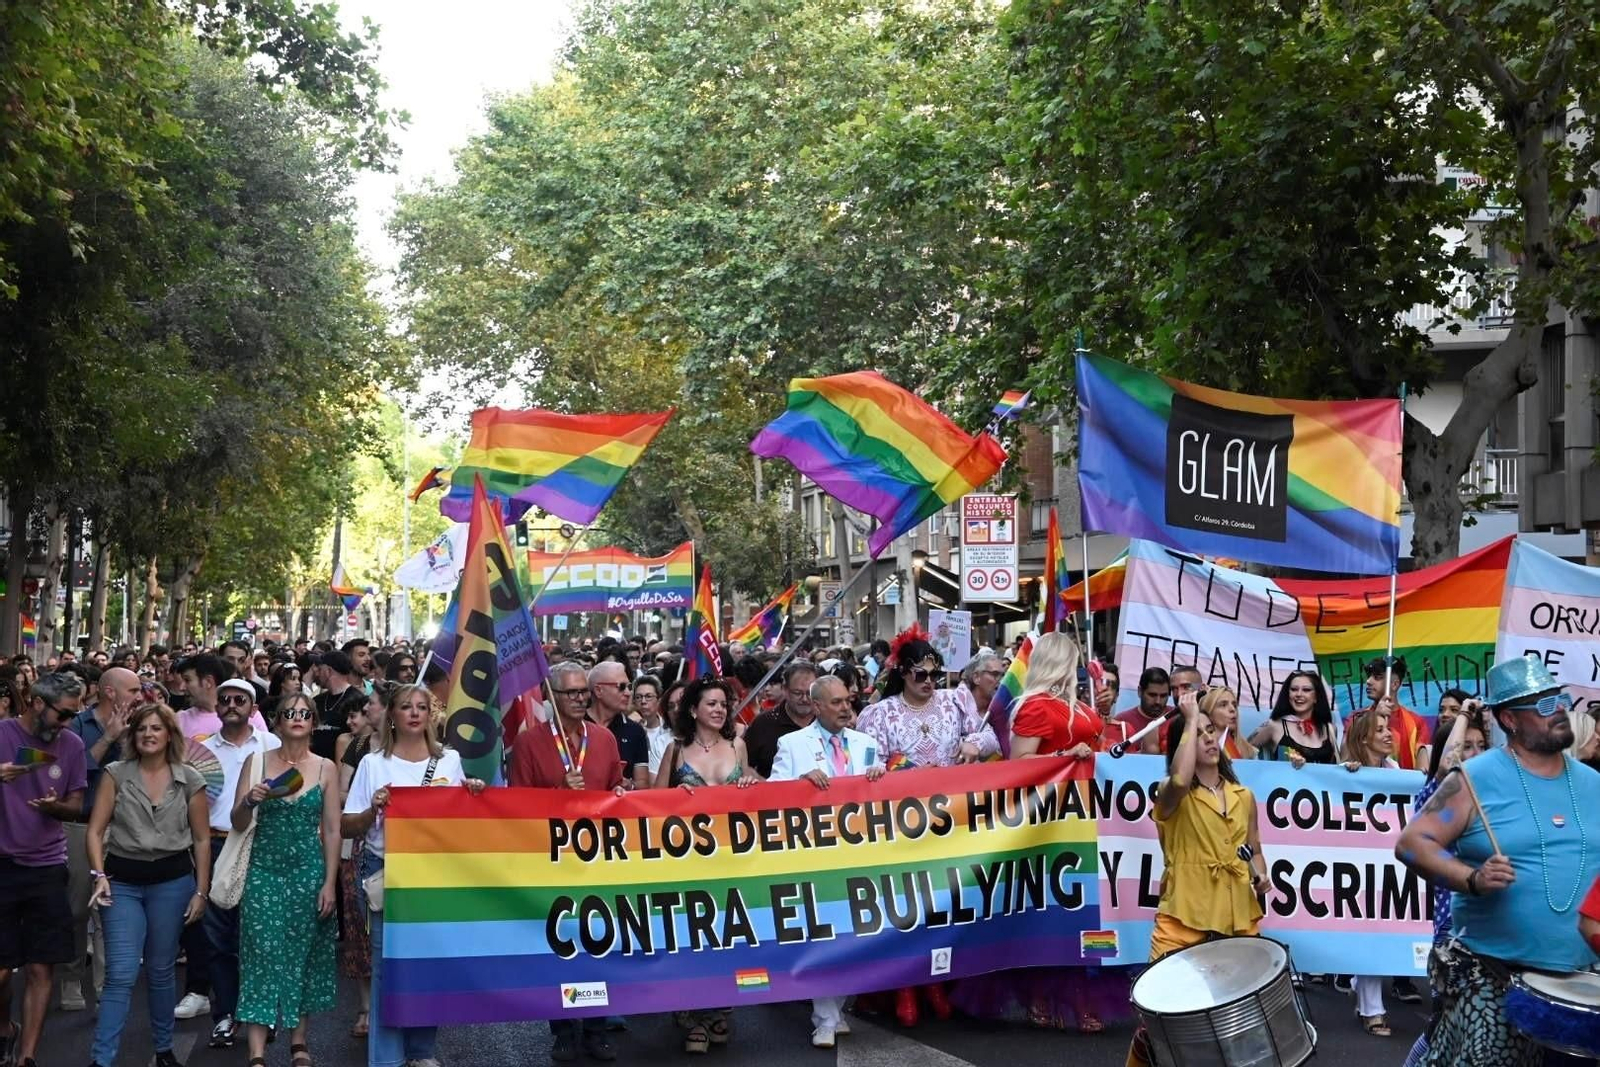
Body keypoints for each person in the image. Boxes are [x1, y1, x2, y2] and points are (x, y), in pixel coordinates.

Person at [1394, 655, 1600, 1066]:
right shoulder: (1474, 778)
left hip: (1581, 986)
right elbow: (1413, 843)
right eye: (1542, 705)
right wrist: (1471, 878)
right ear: (1509, 720)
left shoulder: (1594, 784)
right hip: (1494, 977)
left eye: (1558, 699)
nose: (1558, 710)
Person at [953, 632, 1124, 1034]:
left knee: (1082, 904)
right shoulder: (1031, 707)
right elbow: (1021, 763)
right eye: (1074, 660)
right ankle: (1042, 995)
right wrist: (1066, 756)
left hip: (1084, 814)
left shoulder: (1077, 705)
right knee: (1048, 908)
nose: (1080, 667)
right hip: (1046, 820)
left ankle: (1081, 995)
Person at [344, 684, 487, 1067]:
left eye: (422, 707)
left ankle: (422, 1053)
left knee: (428, 964)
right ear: (391, 714)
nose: (414, 713)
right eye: (406, 706)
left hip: (433, 875)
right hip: (385, 870)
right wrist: (372, 809)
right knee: (386, 967)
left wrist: (472, 792)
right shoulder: (374, 764)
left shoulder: (449, 761)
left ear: (431, 715)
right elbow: (346, 825)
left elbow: (461, 823)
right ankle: (386, 1058)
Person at [1126, 692, 1267, 1067]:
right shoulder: (1170, 795)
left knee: (1238, 1028)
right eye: (1198, 732)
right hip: (1182, 917)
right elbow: (1180, 777)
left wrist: (1262, 875)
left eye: (1211, 731)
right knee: (1158, 1024)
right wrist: (1189, 719)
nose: (1207, 737)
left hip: (1237, 915)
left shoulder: (1244, 795)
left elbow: (1254, 848)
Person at [504, 665, 622, 1063]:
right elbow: (517, 805)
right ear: (550, 696)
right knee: (559, 947)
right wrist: (557, 793)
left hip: (597, 861)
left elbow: (615, 789)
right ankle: (562, 1028)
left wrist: (621, 792)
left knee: (599, 943)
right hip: (550, 860)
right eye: (569, 693)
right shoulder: (530, 743)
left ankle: (596, 1027)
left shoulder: (604, 739)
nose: (578, 698)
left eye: (582, 692)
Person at [84, 702, 210, 1067]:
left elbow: (202, 840)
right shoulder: (115, 773)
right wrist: (99, 875)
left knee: (160, 969)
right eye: (141, 728)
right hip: (121, 882)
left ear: (169, 734)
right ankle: (101, 1059)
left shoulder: (190, 778)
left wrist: (201, 891)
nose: (148, 734)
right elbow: (94, 831)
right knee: (121, 973)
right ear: (132, 735)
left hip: (172, 883)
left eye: (156, 728)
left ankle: (164, 1049)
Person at [770, 675, 886, 1049]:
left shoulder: (867, 744)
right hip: (815, 858)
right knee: (824, 937)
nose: (845, 707)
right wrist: (798, 783)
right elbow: (772, 796)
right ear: (816, 706)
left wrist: (881, 776)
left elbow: (886, 796)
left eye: (847, 700)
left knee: (854, 935)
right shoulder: (791, 744)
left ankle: (835, 1009)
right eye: (835, 702)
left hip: (859, 857)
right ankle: (825, 1018)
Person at [233, 691, 340, 1067]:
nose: (297, 718)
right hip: (263, 872)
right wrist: (250, 800)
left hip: (308, 873)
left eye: (304, 713)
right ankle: (257, 1051)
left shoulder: (326, 767)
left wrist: (329, 883)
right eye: (289, 713)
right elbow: (237, 822)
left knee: (304, 956)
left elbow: (331, 830)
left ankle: (298, 1041)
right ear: (277, 722)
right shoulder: (257, 762)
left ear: (312, 722)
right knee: (259, 953)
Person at [651, 676, 756, 1053]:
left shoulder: (738, 745)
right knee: (688, 937)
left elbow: (758, 789)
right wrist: (674, 799)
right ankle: (690, 1012)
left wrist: (748, 782)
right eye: (711, 703)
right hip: (685, 862)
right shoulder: (675, 752)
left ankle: (717, 1009)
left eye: (723, 704)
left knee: (724, 936)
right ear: (693, 710)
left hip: (728, 861)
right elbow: (650, 803)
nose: (719, 709)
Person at [0, 672, 89, 1067]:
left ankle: (28, 1057)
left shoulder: (71, 745)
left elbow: (76, 805)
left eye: (73, 715)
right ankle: (6, 1028)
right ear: (38, 703)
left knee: (40, 965)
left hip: (47, 866)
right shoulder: (2, 733)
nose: (68, 723)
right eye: (64, 714)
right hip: (2, 865)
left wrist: (57, 808)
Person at [1400, 700, 1490, 1067]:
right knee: (1441, 1031)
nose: (1474, 754)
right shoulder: (1436, 798)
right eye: (1466, 745)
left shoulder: (1494, 794)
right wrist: (1466, 714)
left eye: (1481, 747)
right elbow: (1449, 765)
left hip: (1493, 933)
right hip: (1453, 933)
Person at [199, 677, 282, 1049]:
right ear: (216, 707)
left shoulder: (272, 745)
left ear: (253, 707)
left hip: (258, 845)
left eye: (240, 700)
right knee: (217, 938)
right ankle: (226, 1016)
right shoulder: (198, 750)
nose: (231, 705)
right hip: (215, 845)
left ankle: (261, 1014)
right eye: (225, 699)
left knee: (257, 936)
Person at [63, 666, 144, 1011]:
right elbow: (72, 772)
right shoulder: (78, 725)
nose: (139, 696)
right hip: (81, 828)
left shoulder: (141, 726)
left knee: (112, 913)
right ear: (110, 692)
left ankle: (107, 990)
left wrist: (128, 741)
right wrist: (108, 738)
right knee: (77, 909)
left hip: (124, 829)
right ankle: (70, 980)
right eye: (134, 689)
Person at [856, 629, 997, 778]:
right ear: (903, 672)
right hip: (907, 798)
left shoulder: (954, 701)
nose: (928, 681)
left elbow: (991, 737)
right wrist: (913, 775)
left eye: (934, 675)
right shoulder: (881, 714)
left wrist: (975, 743)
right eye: (921, 675)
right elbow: (870, 767)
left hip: (955, 795)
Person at [1336, 709, 1398, 1034]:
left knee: (1381, 931)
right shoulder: (1345, 773)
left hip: (1389, 865)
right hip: (1353, 868)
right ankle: (1373, 1010)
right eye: (1380, 730)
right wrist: (1346, 776)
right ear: (1363, 739)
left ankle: (1362, 985)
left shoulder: (1398, 771)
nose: (1389, 734)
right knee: (1368, 930)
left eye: (1388, 728)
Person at [336, 684, 386, 1040]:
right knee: (360, 927)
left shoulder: (419, 752)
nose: (366, 707)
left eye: (372, 702)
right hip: (360, 846)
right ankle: (366, 1007)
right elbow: (341, 793)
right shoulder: (357, 748)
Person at [742, 662, 819, 779]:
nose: (804, 699)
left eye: (809, 693)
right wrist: (766, 786)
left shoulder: (826, 720)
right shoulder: (763, 723)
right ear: (785, 690)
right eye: (797, 693)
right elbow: (744, 766)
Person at [1248, 670, 1336, 766]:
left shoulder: (1330, 729)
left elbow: (1335, 768)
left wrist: (1347, 766)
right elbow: (1240, 753)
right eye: (1294, 689)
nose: (1298, 694)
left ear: (1316, 697)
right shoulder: (1273, 726)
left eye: (1306, 690)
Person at [1357, 656, 1430, 770]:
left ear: (1394, 684)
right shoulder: (1357, 718)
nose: (1368, 681)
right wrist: (1376, 716)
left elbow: (1423, 769)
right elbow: (1346, 756)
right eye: (1369, 676)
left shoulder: (1416, 723)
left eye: (1377, 677)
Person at [589, 661, 649, 789]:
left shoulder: (635, 731)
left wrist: (630, 785)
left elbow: (643, 783)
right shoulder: (576, 725)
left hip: (619, 805)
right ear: (599, 690)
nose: (628, 693)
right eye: (621, 687)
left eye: (629, 686)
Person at [312, 650, 363, 759]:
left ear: (328, 671)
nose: (317, 673)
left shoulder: (356, 700)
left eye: (320, 669)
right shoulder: (317, 701)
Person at [1113, 668, 1171, 755]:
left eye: (1163, 696)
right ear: (1140, 691)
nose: (1158, 701)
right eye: (1152, 695)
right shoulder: (1121, 721)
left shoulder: (1177, 717)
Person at [630, 676, 673, 779]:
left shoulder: (670, 731)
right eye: (638, 697)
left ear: (659, 700)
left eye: (648, 696)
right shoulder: (628, 730)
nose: (643, 701)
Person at [1200, 687, 1256, 761]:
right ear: (1209, 713)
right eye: (1223, 705)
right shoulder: (1198, 749)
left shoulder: (1251, 752)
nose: (1232, 709)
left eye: (1234, 705)